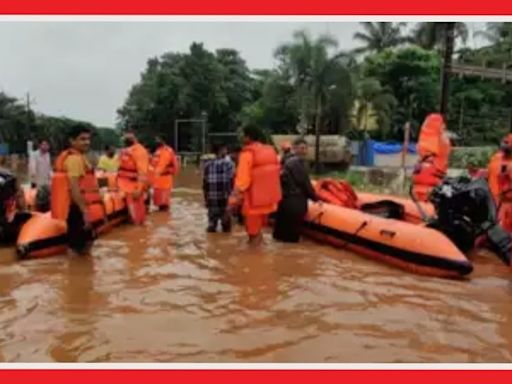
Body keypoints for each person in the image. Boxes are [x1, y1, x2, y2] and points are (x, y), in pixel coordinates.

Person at [229, 124, 281, 245]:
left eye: (243, 136)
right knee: (259, 232)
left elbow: (242, 181)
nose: (242, 139)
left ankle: (254, 260)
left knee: (253, 236)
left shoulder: (247, 154)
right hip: (269, 203)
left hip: (253, 203)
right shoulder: (270, 151)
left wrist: (233, 200)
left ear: (248, 137)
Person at [51, 125, 101, 254]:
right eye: (82, 139)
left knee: (80, 248)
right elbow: (74, 188)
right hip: (77, 209)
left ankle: (77, 270)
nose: (87, 142)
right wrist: (84, 212)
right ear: (72, 141)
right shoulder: (74, 159)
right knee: (83, 250)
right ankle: (81, 272)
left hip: (74, 208)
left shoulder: (74, 156)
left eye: (88, 139)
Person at [273, 138, 318, 243]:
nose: (304, 151)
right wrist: (316, 199)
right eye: (302, 148)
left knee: (280, 236)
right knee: (292, 238)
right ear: (294, 148)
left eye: (306, 148)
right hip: (294, 203)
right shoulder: (297, 163)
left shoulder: (286, 160)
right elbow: (304, 183)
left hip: (285, 201)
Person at [117, 130, 150, 224]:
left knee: (136, 219)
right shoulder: (125, 150)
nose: (125, 138)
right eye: (124, 136)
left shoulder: (140, 151)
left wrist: (139, 189)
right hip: (122, 186)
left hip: (132, 188)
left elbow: (142, 173)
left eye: (128, 135)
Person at [203, 144, 234, 233]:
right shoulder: (229, 164)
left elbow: (205, 185)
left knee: (211, 227)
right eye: (225, 149)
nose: (226, 151)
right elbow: (232, 182)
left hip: (212, 200)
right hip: (225, 199)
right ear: (221, 150)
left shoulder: (207, 165)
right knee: (226, 228)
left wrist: (206, 199)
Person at [149, 136, 179, 210]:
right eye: (155, 140)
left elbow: (161, 165)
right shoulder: (158, 151)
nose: (156, 141)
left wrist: (151, 179)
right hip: (158, 180)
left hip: (164, 180)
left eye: (158, 139)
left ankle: (165, 218)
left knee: (164, 203)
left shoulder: (166, 151)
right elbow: (153, 164)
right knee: (159, 202)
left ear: (163, 140)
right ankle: (162, 218)